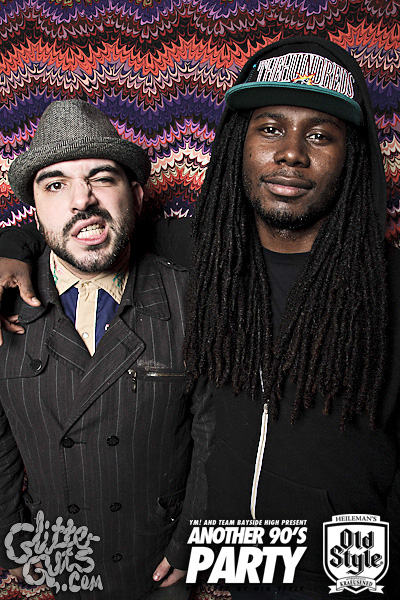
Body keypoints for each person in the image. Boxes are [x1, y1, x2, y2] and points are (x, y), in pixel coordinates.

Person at [1, 36, 400, 598]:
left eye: (319, 135)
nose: (291, 153)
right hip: (230, 565)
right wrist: (9, 248)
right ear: (240, 143)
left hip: (346, 571)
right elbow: (86, 228)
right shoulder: (199, 249)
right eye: (270, 128)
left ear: (350, 154)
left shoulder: (389, 286)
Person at [0, 99, 208, 600]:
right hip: (61, 561)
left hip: (162, 563)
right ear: (35, 211)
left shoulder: (191, 297)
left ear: (135, 195)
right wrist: (14, 542)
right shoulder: (6, 306)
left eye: (102, 178)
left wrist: (194, 542)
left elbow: (215, 437)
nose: (81, 200)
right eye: (55, 185)